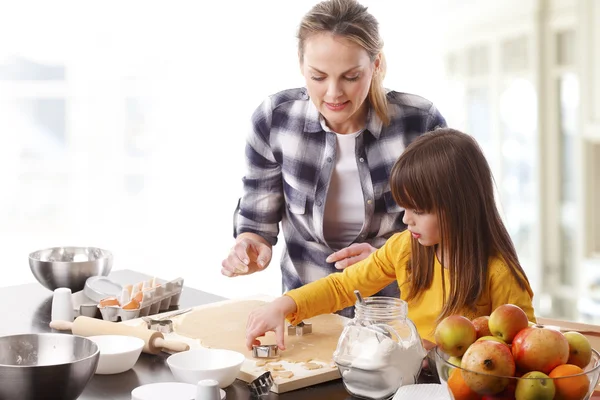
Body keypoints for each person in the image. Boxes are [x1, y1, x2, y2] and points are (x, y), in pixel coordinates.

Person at [221, 0, 447, 317]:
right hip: (306, 315)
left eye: (351, 76)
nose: (333, 93)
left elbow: (450, 230)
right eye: (318, 76)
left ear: (376, 65)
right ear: (301, 65)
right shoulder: (275, 120)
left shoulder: (420, 123)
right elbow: (257, 222)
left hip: (398, 317)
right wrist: (251, 246)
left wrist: (388, 260)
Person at [244, 128, 537, 350]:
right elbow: (343, 286)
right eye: (405, 208)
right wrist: (284, 305)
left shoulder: (499, 274)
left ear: (460, 207)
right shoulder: (404, 248)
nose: (407, 220)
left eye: (419, 211)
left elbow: (527, 349)